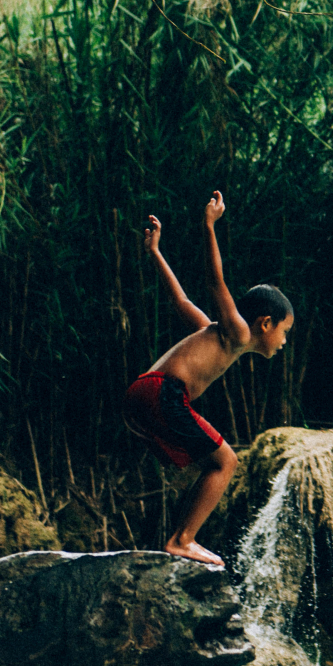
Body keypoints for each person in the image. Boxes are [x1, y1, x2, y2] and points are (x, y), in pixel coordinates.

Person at [125, 190, 294, 568]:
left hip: (142, 393)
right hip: (162, 393)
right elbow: (216, 282)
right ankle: (182, 540)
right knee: (226, 462)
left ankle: (179, 536)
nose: (284, 342)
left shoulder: (212, 331)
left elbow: (180, 300)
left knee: (211, 462)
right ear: (265, 323)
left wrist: (155, 253)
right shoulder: (238, 331)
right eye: (284, 331)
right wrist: (209, 226)